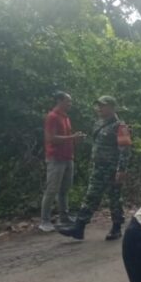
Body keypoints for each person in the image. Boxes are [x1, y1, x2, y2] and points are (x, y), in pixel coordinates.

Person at [57, 96, 131, 241]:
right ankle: (79, 227)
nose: (99, 109)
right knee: (91, 196)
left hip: (112, 168)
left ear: (112, 107)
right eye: (98, 106)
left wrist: (121, 169)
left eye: (103, 106)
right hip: (99, 167)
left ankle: (116, 227)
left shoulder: (120, 126)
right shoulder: (99, 123)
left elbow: (125, 149)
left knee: (114, 198)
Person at [39, 91, 85, 232]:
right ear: (59, 101)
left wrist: (75, 139)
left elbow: (66, 137)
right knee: (51, 190)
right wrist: (72, 137)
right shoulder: (52, 117)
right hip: (55, 158)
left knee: (64, 190)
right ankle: (44, 221)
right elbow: (50, 139)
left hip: (67, 157)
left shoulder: (66, 117)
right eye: (68, 101)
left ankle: (64, 216)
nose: (70, 104)